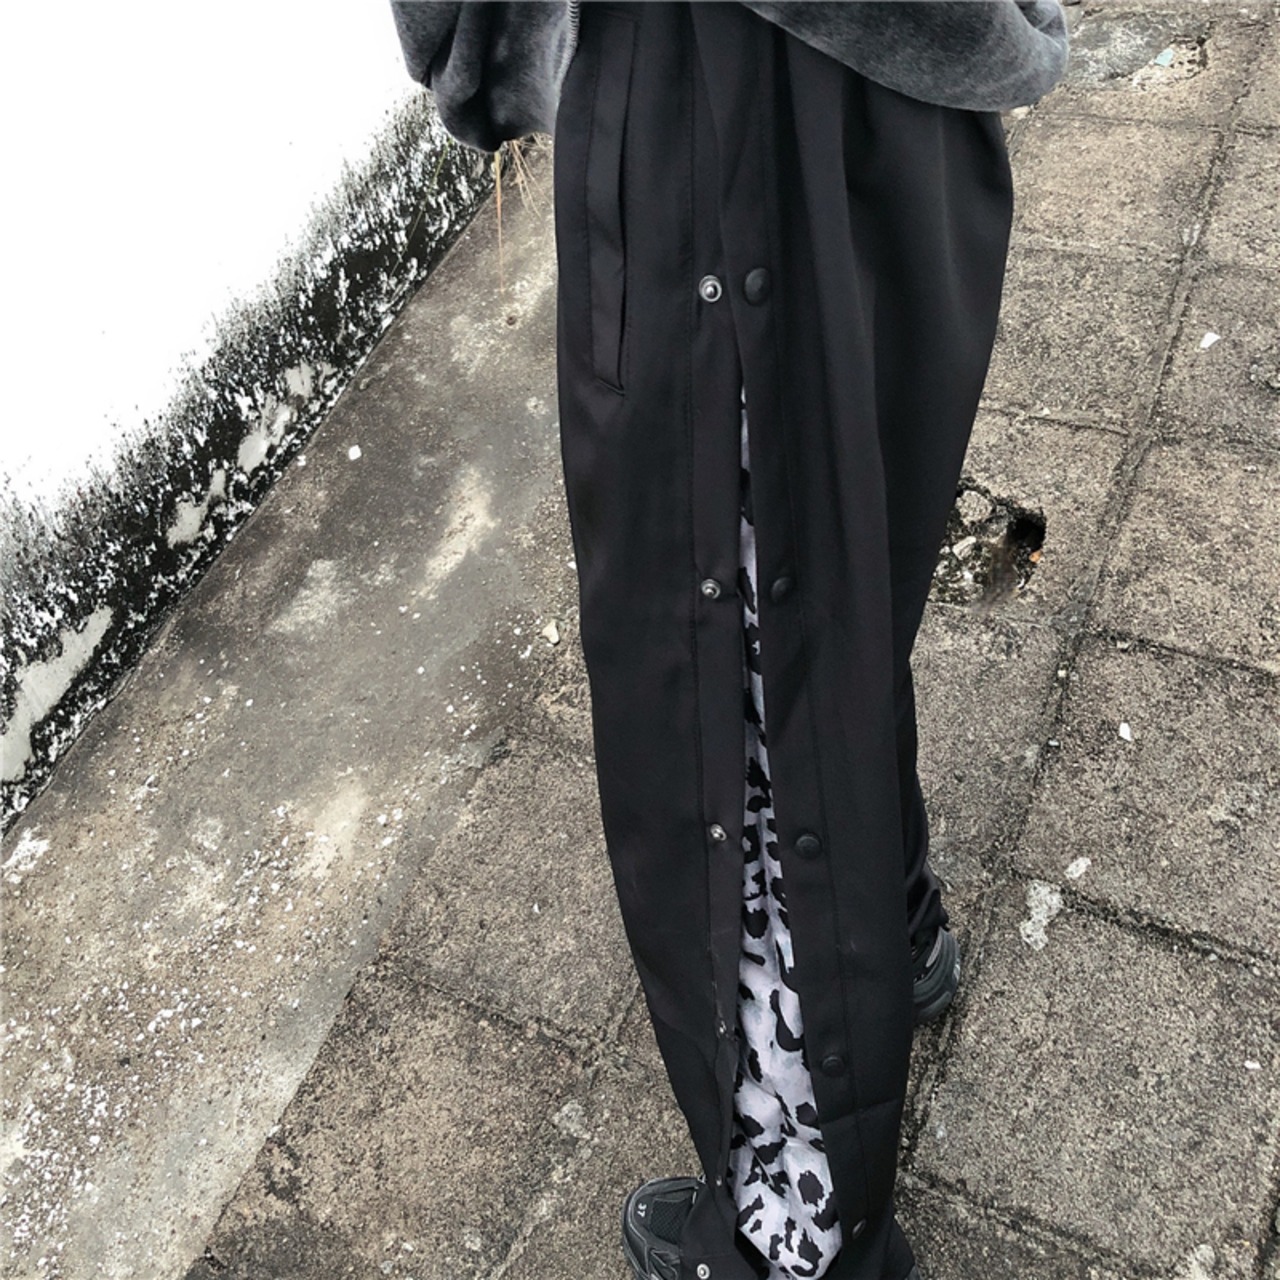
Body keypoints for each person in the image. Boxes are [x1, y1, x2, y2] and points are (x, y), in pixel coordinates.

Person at [389, 5, 1069, 1278]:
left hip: (713, 105)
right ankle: (893, 923)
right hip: (912, 98)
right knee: (838, 585)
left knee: (733, 681)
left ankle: (795, 1233)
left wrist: (476, 48)